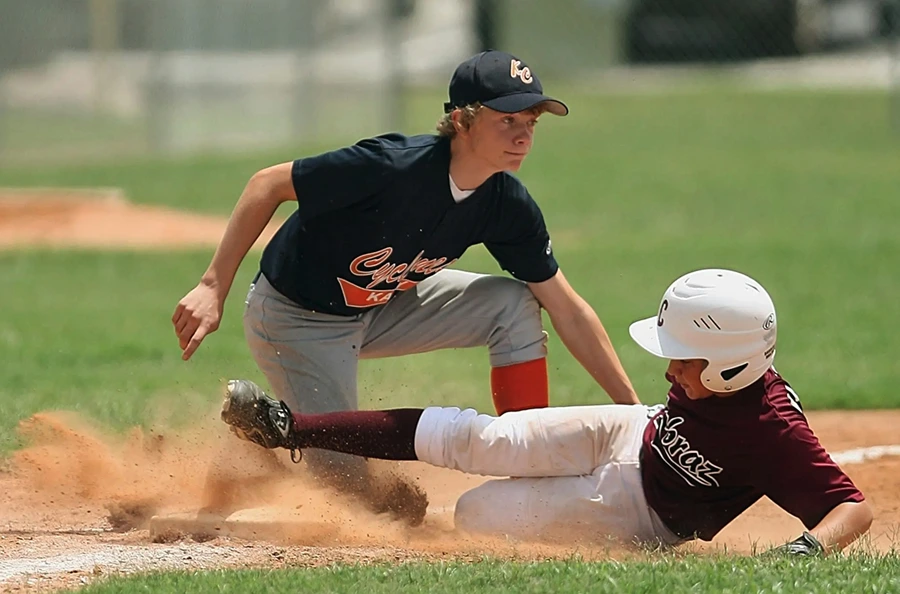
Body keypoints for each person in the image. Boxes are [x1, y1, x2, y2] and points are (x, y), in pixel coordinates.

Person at [172, 50, 640, 495]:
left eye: (530, 123)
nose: (523, 136)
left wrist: (635, 414)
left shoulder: (506, 206)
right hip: (298, 319)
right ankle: (256, 448)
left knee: (513, 303)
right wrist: (213, 285)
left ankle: (530, 460)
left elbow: (568, 309)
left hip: (383, 303)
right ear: (462, 121)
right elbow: (267, 184)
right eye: (507, 120)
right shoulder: (391, 167)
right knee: (350, 492)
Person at [219, 269, 873, 554]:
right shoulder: (708, 379)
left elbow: (852, 506)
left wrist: (808, 551)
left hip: (646, 513)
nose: (671, 368)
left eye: (685, 359)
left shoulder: (775, 432)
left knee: (478, 513)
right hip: (631, 430)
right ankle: (287, 427)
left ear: (733, 365)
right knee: (480, 438)